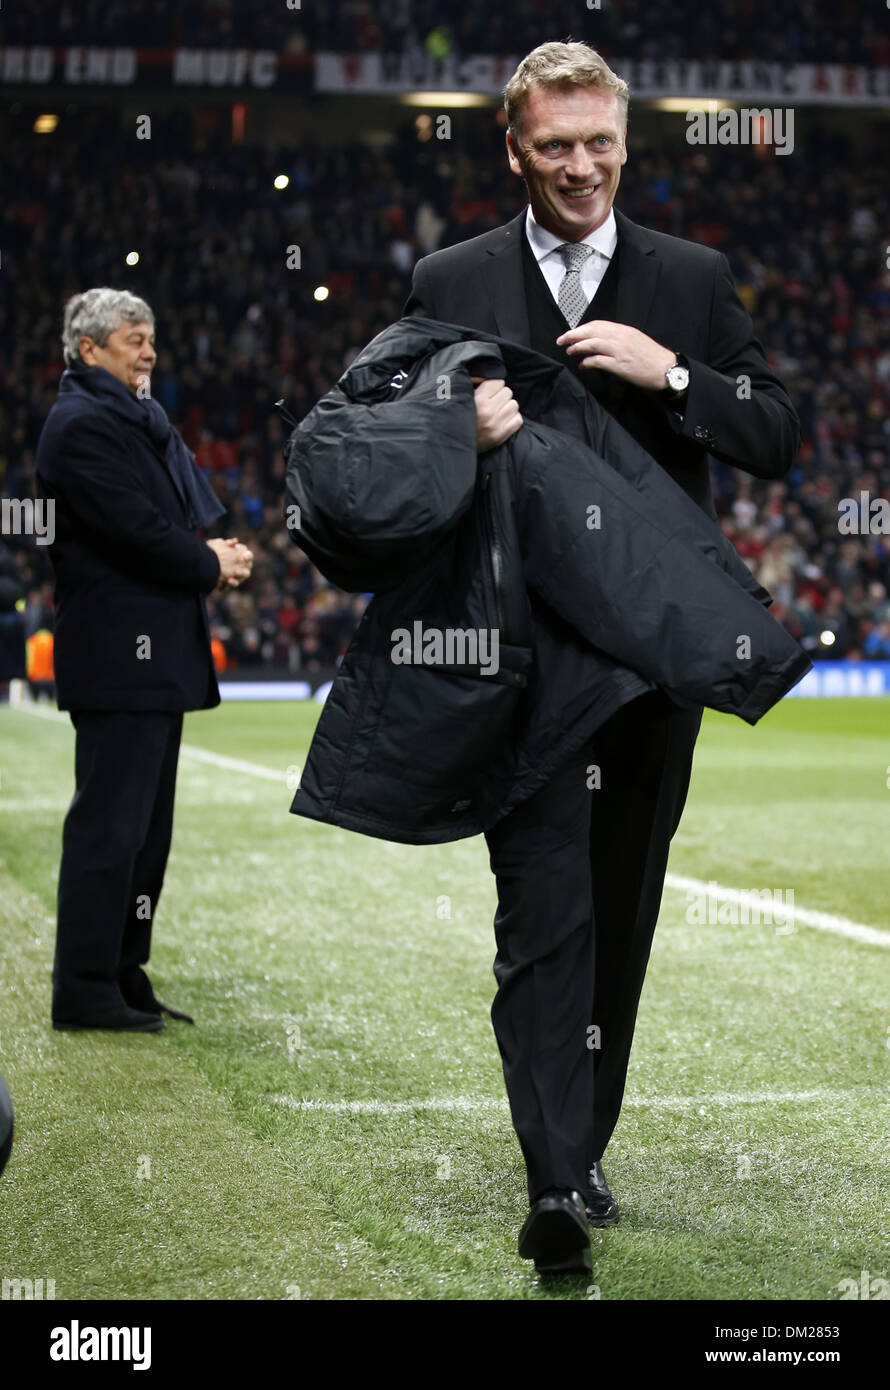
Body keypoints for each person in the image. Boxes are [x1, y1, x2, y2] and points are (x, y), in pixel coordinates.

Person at [403, 41, 800, 1274]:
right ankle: (551, 1177)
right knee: (538, 920)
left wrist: (672, 371)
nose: (578, 165)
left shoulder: (691, 278)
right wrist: (441, 426)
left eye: (597, 142)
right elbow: (378, 446)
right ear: (511, 150)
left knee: (616, 915)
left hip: (645, 667)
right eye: (552, 144)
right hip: (513, 658)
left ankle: (579, 1144)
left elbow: (775, 435)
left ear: (625, 144)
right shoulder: (447, 275)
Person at [35, 288, 254, 1033]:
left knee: (145, 833)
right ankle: (84, 986)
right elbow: (136, 531)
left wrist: (203, 558)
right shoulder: (79, 425)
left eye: (151, 337)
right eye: (134, 339)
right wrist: (208, 561)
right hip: (117, 658)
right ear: (88, 348)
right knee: (109, 829)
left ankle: (123, 973)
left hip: (151, 657)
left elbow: (151, 526)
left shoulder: (133, 419)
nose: (150, 351)